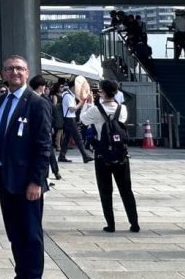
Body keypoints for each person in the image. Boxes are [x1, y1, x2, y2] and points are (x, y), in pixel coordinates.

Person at [0, 55, 51, 279]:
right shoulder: (0, 102)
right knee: (15, 233)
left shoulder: (37, 103)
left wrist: (37, 181)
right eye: (10, 68)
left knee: (31, 234)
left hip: (27, 184)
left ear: (28, 72)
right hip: (5, 179)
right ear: (3, 72)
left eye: (20, 69)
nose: (15, 72)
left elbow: (44, 145)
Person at [80, 79, 140, 234]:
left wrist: (87, 103)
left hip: (102, 154)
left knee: (105, 190)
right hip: (121, 154)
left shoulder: (95, 110)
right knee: (126, 189)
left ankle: (111, 224)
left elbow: (83, 120)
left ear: (103, 92)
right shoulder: (123, 109)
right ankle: (134, 222)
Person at [29, 76, 61, 184]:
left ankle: (52, 173)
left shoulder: (42, 98)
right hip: (41, 131)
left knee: (48, 153)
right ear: (41, 86)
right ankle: (46, 176)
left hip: (46, 129)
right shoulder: (35, 99)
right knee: (45, 153)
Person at [59, 83, 92, 164]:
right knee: (78, 137)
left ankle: (62, 156)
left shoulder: (68, 95)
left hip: (69, 118)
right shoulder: (68, 96)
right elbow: (72, 109)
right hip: (70, 119)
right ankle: (85, 156)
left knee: (67, 138)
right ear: (73, 87)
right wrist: (81, 103)